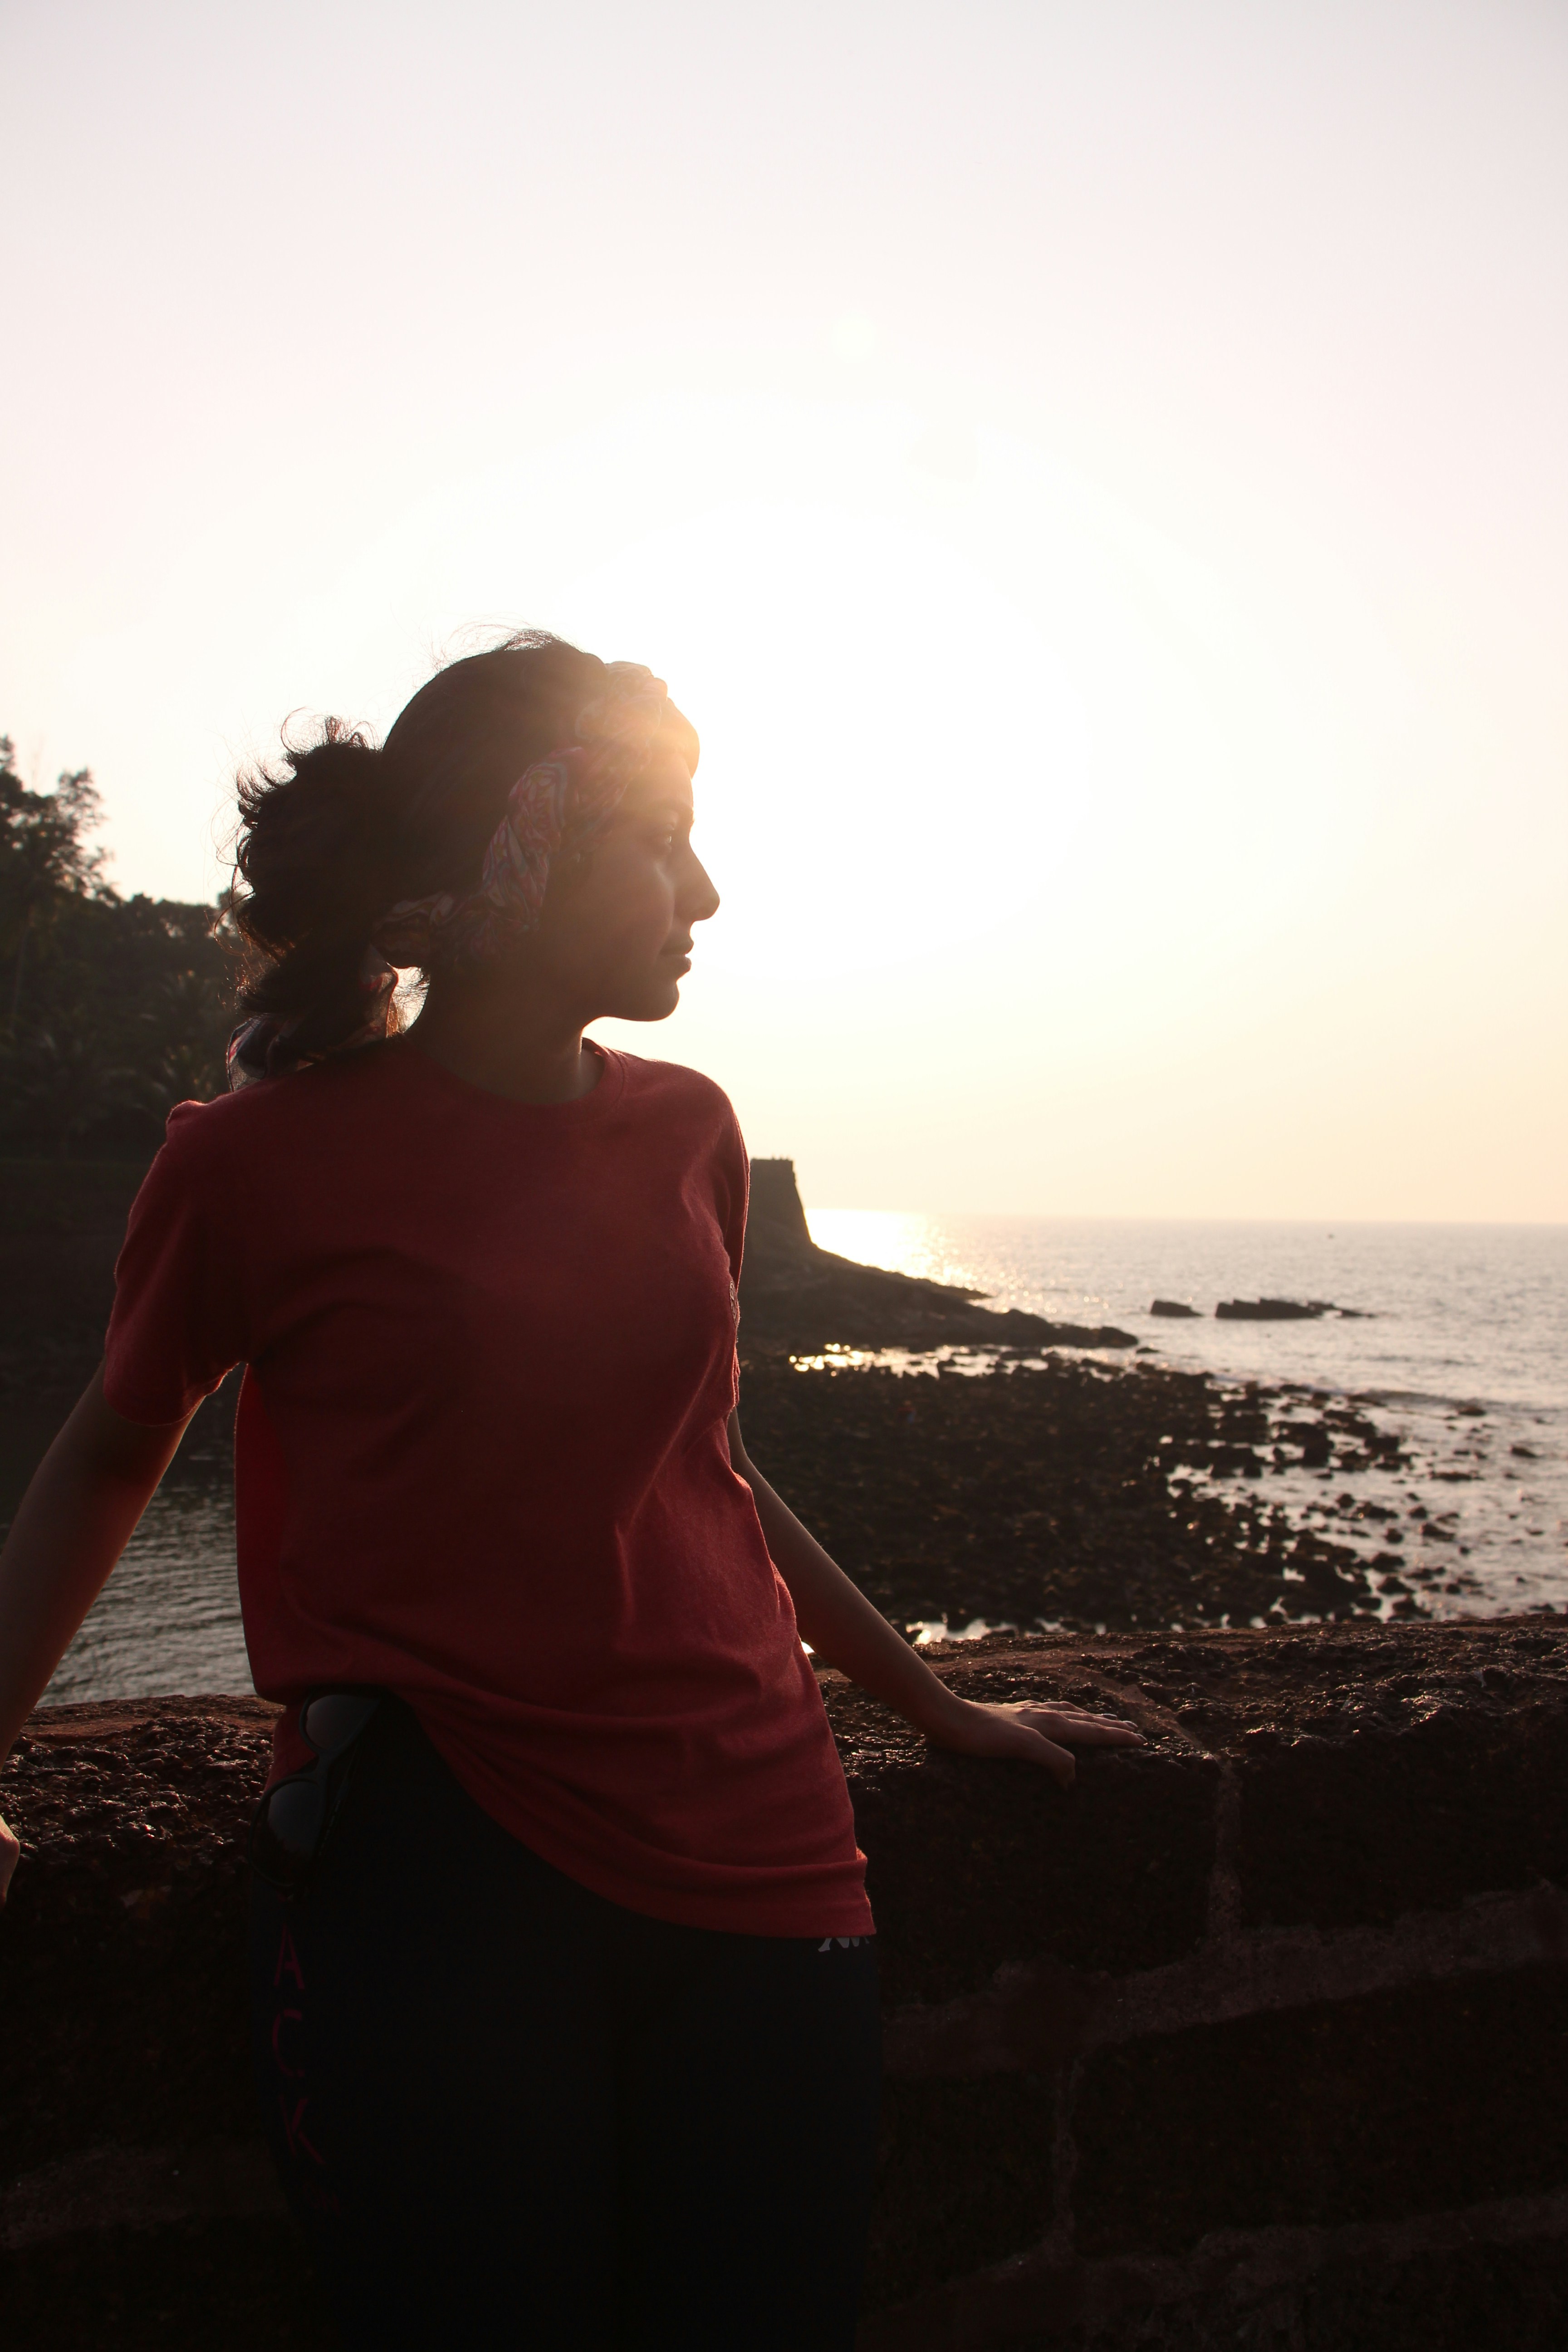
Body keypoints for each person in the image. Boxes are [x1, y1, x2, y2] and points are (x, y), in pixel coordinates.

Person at [0, 634, 1141, 2349]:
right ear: (520, 855)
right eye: (660, 838)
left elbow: (710, 1465)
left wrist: (928, 1700)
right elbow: (111, 1445)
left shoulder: (690, 1130)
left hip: (767, 1848)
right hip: (439, 1868)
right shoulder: (253, 1162)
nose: (706, 887)